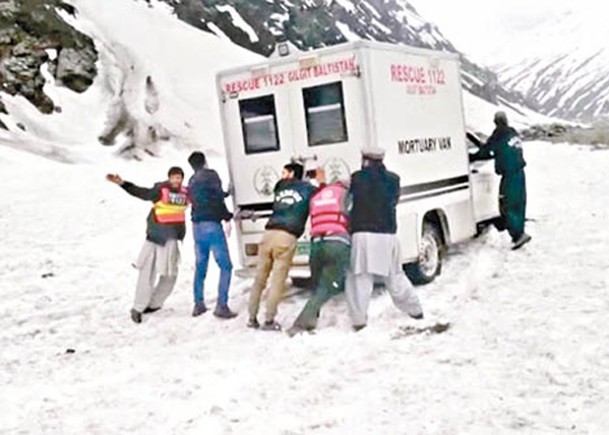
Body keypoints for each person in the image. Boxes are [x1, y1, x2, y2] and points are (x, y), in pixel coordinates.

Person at [345, 147, 423, 331]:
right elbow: (393, 201)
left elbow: (348, 203)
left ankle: (358, 320)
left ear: (364, 160)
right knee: (395, 275)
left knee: (359, 278)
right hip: (388, 234)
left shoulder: (356, 178)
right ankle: (415, 309)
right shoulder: (394, 179)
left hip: (362, 234)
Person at [106, 167, 188, 324]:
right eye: (174, 177)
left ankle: (154, 304)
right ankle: (138, 307)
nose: (176, 181)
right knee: (146, 272)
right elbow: (142, 193)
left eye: (179, 178)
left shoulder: (186, 193)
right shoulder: (160, 190)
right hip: (155, 236)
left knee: (170, 274)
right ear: (169, 178)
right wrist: (123, 184)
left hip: (171, 238)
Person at [247, 162, 315, 331]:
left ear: (292, 173)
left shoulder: (279, 187)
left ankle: (252, 318)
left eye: (285, 171)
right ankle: (269, 320)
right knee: (277, 281)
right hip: (287, 236)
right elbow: (316, 193)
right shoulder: (308, 189)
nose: (282, 175)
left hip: (268, 233)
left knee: (259, 279)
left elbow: (284, 186)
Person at [287, 167, 351, 337]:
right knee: (328, 285)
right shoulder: (345, 194)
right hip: (336, 242)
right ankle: (301, 324)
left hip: (315, 244)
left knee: (317, 285)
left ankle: (311, 320)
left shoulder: (318, 196)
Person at [470, 111, 531, 250]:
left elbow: (487, 151)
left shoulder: (499, 134)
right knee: (519, 204)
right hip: (520, 173)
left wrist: (472, 157)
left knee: (506, 205)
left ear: (496, 122)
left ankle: (517, 235)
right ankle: (520, 231)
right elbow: (499, 149)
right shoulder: (513, 133)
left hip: (509, 176)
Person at [187, 151, 237, 319]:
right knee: (225, 266)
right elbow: (215, 199)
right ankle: (221, 305)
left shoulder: (192, 180)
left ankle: (198, 304)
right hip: (211, 225)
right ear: (205, 161)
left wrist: (226, 193)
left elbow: (204, 196)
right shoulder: (211, 175)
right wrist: (228, 216)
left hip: (196, 227)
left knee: (201, 266)